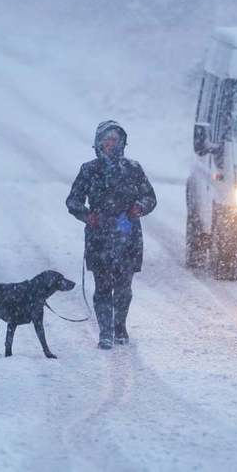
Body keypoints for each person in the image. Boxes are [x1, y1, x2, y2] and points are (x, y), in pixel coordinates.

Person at [66, 121, 157, 349]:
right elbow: (73, 201)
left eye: (115, 140)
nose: (110, 144)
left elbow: (150, 197)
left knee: (124, 288)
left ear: (122, 143)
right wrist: (88, 216)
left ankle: (119, 327)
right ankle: (105, 332)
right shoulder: (89, 170)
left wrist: (139, 207)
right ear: (98, 143)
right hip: (99, 238)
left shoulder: (133, 169)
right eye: (106, 140)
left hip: (129, 237)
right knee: (103, 286)